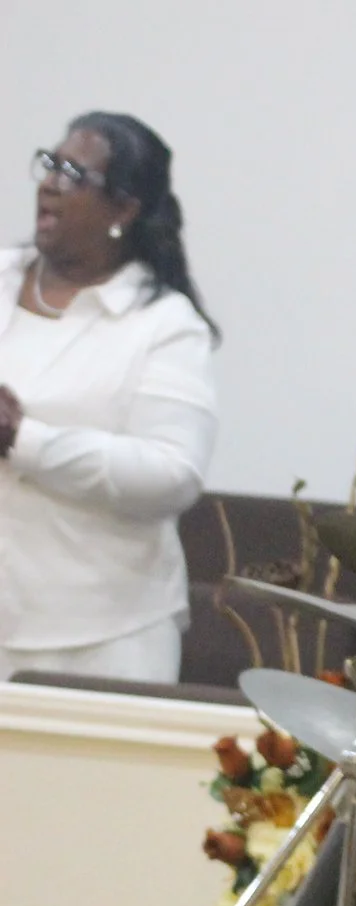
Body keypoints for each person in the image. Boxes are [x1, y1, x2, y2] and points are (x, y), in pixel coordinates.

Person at [0, 115, 216, 684]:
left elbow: (172, 475)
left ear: (123, 209)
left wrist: (24, 441)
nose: (50, 183)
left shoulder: (163, 325)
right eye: (51, 164)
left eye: (74, 174)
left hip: (101, 637)